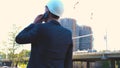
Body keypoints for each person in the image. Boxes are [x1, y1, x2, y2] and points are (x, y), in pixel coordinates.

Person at [15, 0, 73, 68]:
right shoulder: (68, 33)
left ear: (47, 12)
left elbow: (19, 38)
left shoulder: (40, 28)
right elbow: (68, 62)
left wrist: (34, 24)